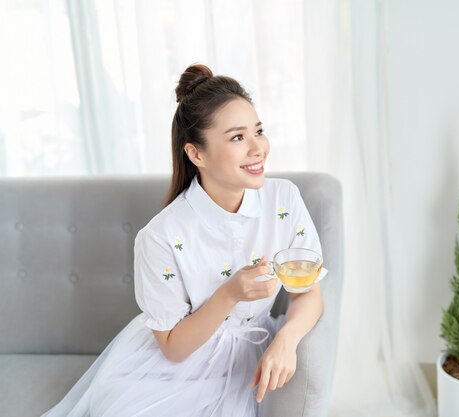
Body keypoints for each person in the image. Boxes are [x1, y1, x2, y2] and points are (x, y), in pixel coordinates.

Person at [42, 64, 328, 417]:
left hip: (250, 356)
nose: (258, 148)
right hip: (175, 369)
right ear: (196, 154)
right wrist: (228, 294)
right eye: (238, 137)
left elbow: (308, 291)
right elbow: (174, 349)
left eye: (259, 131)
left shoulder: (284, 200)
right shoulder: (160, 237)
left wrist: (287, 338)